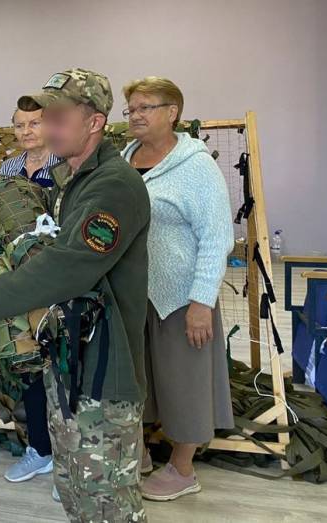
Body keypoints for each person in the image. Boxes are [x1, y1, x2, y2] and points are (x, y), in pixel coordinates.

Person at [0, 69, 150, 522]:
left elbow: (67, 267)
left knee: (106, 505)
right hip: (71, 362)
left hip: (103, 374)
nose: (48, 128)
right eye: (45, 117)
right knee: (76, 493)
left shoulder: (113, 184)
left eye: (59, 117)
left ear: (95, 122)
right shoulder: (75, 178)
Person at [120, 76, 234, 501]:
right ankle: (141, 453)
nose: (135, 116)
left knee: (186, 381)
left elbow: (217, 237)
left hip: (181, 296)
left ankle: (184, 468)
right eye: (131, 109)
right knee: (140, 377)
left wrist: (201, 303)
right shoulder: (125, 159)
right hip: (134, 293)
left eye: (145, 107)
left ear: (172, 112)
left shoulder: (196, 165)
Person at [0, 106, 60, 485]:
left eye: (34, 123)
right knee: (31, 366)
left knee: (66, 368)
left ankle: (69, 459)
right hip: (21, 285)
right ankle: (40, 449)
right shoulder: (7, 170)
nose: (27, 131)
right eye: (19, 125)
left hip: (62, 282)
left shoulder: (65, 164)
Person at [0, 107, 60, 188]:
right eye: (19, 126)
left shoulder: (66, 167)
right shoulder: (8, 167)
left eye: (35, 123)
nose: (25, 132)